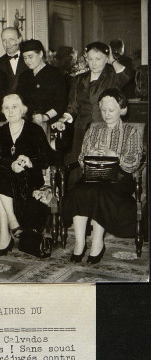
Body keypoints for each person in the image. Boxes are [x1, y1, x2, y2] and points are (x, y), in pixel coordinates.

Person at [62, 88, 142, 264]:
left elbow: (134, 162)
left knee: (99, 192)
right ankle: (80, 243)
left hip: (120, 177)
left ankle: (97, 243)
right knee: (78, 192)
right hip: (94, 174)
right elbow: (82, 159)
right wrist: (89, 153)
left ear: (122, 109)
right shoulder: (93, 130)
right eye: (103, 109)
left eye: (111, 110)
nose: (106, 114)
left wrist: (115, 155)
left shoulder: (131, 132)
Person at [0, 94, 57, 256]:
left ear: (23, 109)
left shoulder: (34, 129)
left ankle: (6, 236)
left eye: (14, 107)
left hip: (29, 179)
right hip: (6, 178)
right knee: (1, 174)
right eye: (6, 107)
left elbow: (49, 157)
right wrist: (11, 164)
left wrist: (29, 162)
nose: (10, 111)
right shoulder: (0, 132)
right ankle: (13, 224)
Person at [52, 41, 131, 186]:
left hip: (103, 128)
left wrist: (112, 59)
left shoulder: (112, 77)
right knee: (79, 167)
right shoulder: (78, 79)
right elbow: (73, 106)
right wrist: (63, 119)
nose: (93, 63)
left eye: (98, 59)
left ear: (106, 59)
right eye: (90, 58)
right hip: (81, 129)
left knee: (99, 170)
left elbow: (125, 75)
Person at [16, 39, 67, 133]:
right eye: (25, 58)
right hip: (27, 123)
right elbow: (19, 99)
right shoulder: (24, 76)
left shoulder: (55, 74)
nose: (27, 61)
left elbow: (61, 103)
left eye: (30, 57)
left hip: (50, 123)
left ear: (40, 54)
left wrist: (45, 116)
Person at [0, 27, 27, 93]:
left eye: (11, 39)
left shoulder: (29, 60)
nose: (7, 44)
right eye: (4, 40)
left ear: (19, 40)